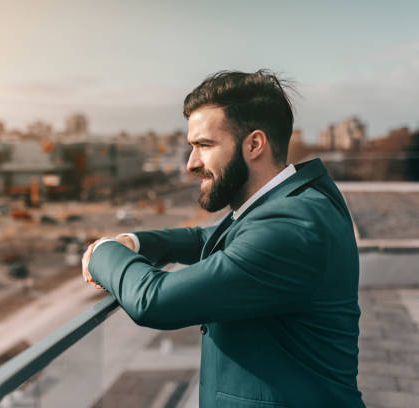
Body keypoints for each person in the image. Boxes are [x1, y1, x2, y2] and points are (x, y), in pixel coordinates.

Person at [82, 70, 365, 407]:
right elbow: (208, 238)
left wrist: (103, 251)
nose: (191, 164)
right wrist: (136, 242)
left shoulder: (291, 227)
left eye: (204, 145)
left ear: (254, 144)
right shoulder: (293, 204)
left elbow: (154, 301)